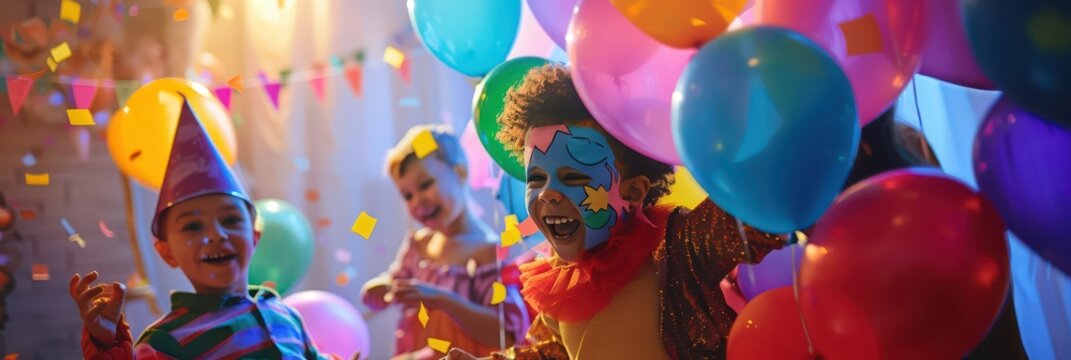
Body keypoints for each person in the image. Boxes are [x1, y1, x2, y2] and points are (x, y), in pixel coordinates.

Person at [446, 64, 784, 360]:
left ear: (634, 191)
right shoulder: (561, 278)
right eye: (537, 178)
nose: (547, 193)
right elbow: (552, 351)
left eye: (573, 177)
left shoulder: (676, 248)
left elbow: (753, 211)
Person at [70, 100, 341, 359]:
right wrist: (107, 345)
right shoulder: (166, 342)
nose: (216, 234)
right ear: (166, 252)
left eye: (231, 220)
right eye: (192, 226)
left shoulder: (286, 314)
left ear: (255, 236)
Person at [362, 125, 529, 359]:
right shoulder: (419, 245)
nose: (417, 200)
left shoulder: (489, 252)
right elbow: (395, 285)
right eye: (407, 195)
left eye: (425, 185)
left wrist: (442, 299)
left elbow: (507, 334)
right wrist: (382, 288)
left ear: (460, 173)